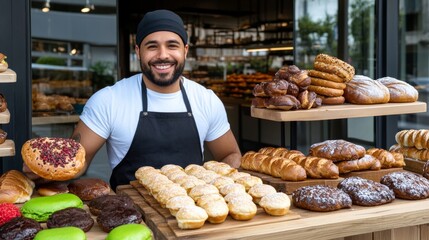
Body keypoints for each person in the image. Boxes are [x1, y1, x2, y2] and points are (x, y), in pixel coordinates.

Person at [68, 9, 241, 190]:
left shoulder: (206, 100)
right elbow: (76, 161)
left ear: (185, 50)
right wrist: (45, 169)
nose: (163, 55)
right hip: (128, 215)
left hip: (192, 213)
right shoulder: (108, 100)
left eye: (172, 45)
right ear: (138, 51)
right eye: (152, 46)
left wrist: (218, 187)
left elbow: (230, 154)